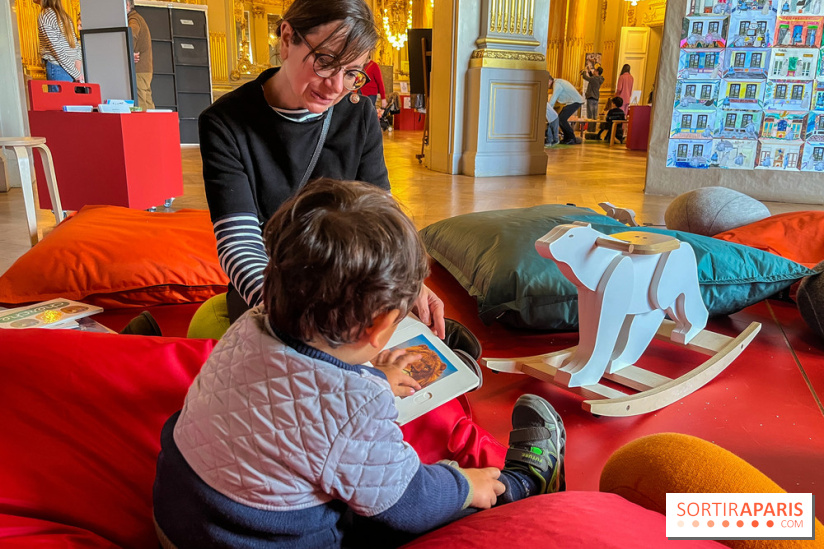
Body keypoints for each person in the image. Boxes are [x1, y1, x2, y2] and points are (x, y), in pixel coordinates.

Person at [152, 178, 567, 548]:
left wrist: (373, 377)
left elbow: (297, 395)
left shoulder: (249, 326)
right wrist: (464, 486)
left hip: (179, 521)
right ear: (381, 326)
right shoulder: (356, 407)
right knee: (435, 505)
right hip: (260, 538)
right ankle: (525, 484)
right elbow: (407, 502)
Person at [198, 0, 444, 334]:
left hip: (351, 287)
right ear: (287, 39)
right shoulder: (226, 122)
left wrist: (409, 283)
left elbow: (382, 219)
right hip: (272, 289)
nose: (336, 87)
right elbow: (240, 243)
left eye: (352, 73)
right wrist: (291, 317)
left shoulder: (358, 113)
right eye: (326, 62)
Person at [35, 0, 83, 85]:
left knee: (59, 94)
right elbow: (76, 46)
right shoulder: (64, 16)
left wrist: (76, 73)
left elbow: (57, 50)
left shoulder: (45, 15)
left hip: (58, 68)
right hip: (71, 69)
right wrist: (76, 70)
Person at [127, 0, 154, 110]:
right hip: (145, 69)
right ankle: (153, 122)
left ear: (127, 5)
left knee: (140, 104)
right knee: (147, 102)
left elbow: (131, 34)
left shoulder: (133, 19)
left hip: (138, 70)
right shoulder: (138, 18)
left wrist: (127, 53)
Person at [547, 73, 584, 145]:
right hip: (572, 102)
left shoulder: (557, 84)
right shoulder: (557, 82)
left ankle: (571, 138)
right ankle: (567, 138)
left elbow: (553, 99)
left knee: (562, 119)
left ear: (549, 81)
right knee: (561, 119)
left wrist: (547, 110)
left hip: (575, 101)